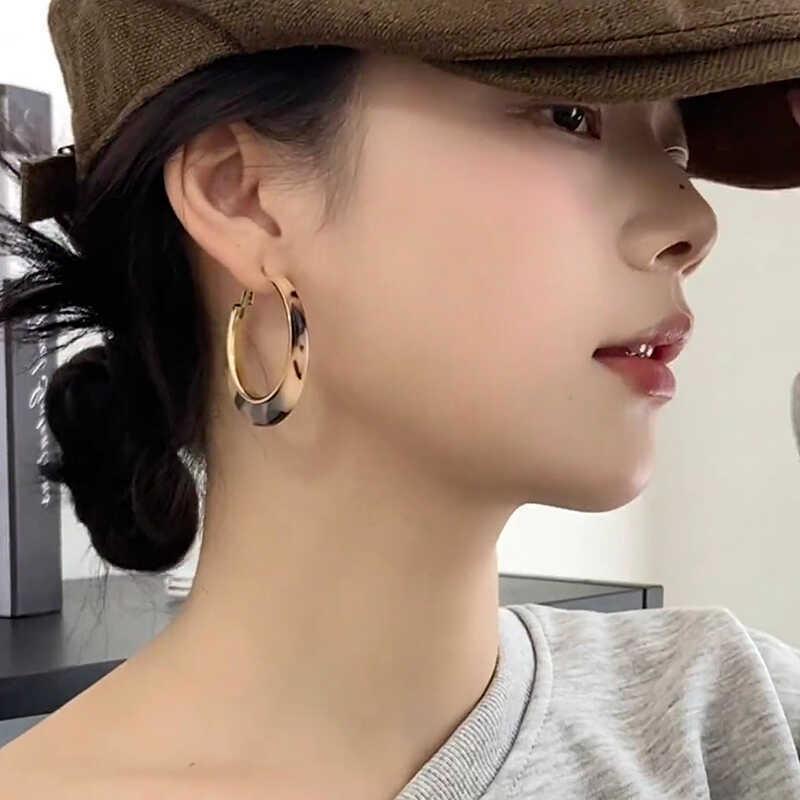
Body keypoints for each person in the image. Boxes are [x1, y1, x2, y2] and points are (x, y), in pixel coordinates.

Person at [0, 2, 799, 798]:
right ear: (243, 195)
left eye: (676, 150)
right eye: (571, 116)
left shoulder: (736, 715)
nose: (693, 222)